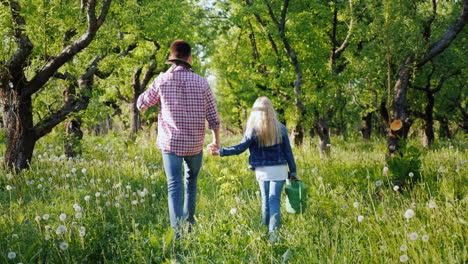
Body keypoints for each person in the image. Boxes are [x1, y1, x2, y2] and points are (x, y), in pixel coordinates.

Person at [137, 40, 220, 237]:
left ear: (172, 59)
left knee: (174, 186)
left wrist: (157, 81)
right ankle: (189, 228)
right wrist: (216, 141)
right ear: (189, 58)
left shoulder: (162, 80)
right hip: (194, 143)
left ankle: (177, 235)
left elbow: (141, 104)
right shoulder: (202, 82)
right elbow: (214, 118)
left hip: (171, 142)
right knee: (191, 183)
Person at [208, 96, 297, 242]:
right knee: (274, 201)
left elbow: (240, 148)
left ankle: (264, 232)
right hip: (280, 170)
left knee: (265, 201)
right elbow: (288, 152)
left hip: (262, 171)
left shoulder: (254, 129)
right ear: (271, 110)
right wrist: (293, 171)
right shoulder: (280, 127)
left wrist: (221, 151)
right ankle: (273, 236)